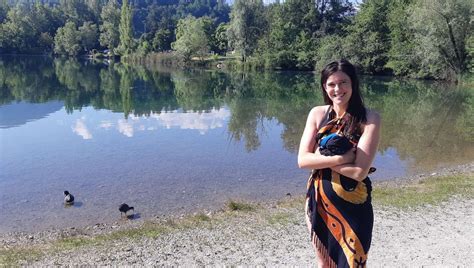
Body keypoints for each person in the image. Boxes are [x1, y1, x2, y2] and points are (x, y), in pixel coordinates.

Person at [298, 59, 381, 267]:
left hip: (354, 205)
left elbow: (359, 173)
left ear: (353, 84)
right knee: (325, 262)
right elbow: (302, 160)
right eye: (331, 84)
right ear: (325, 87)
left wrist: (320, 158)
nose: (338, 89)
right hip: (319, 202)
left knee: (352, 262)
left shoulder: (369, 118)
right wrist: (342, 158)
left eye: (343, 82)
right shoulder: (317, 114)